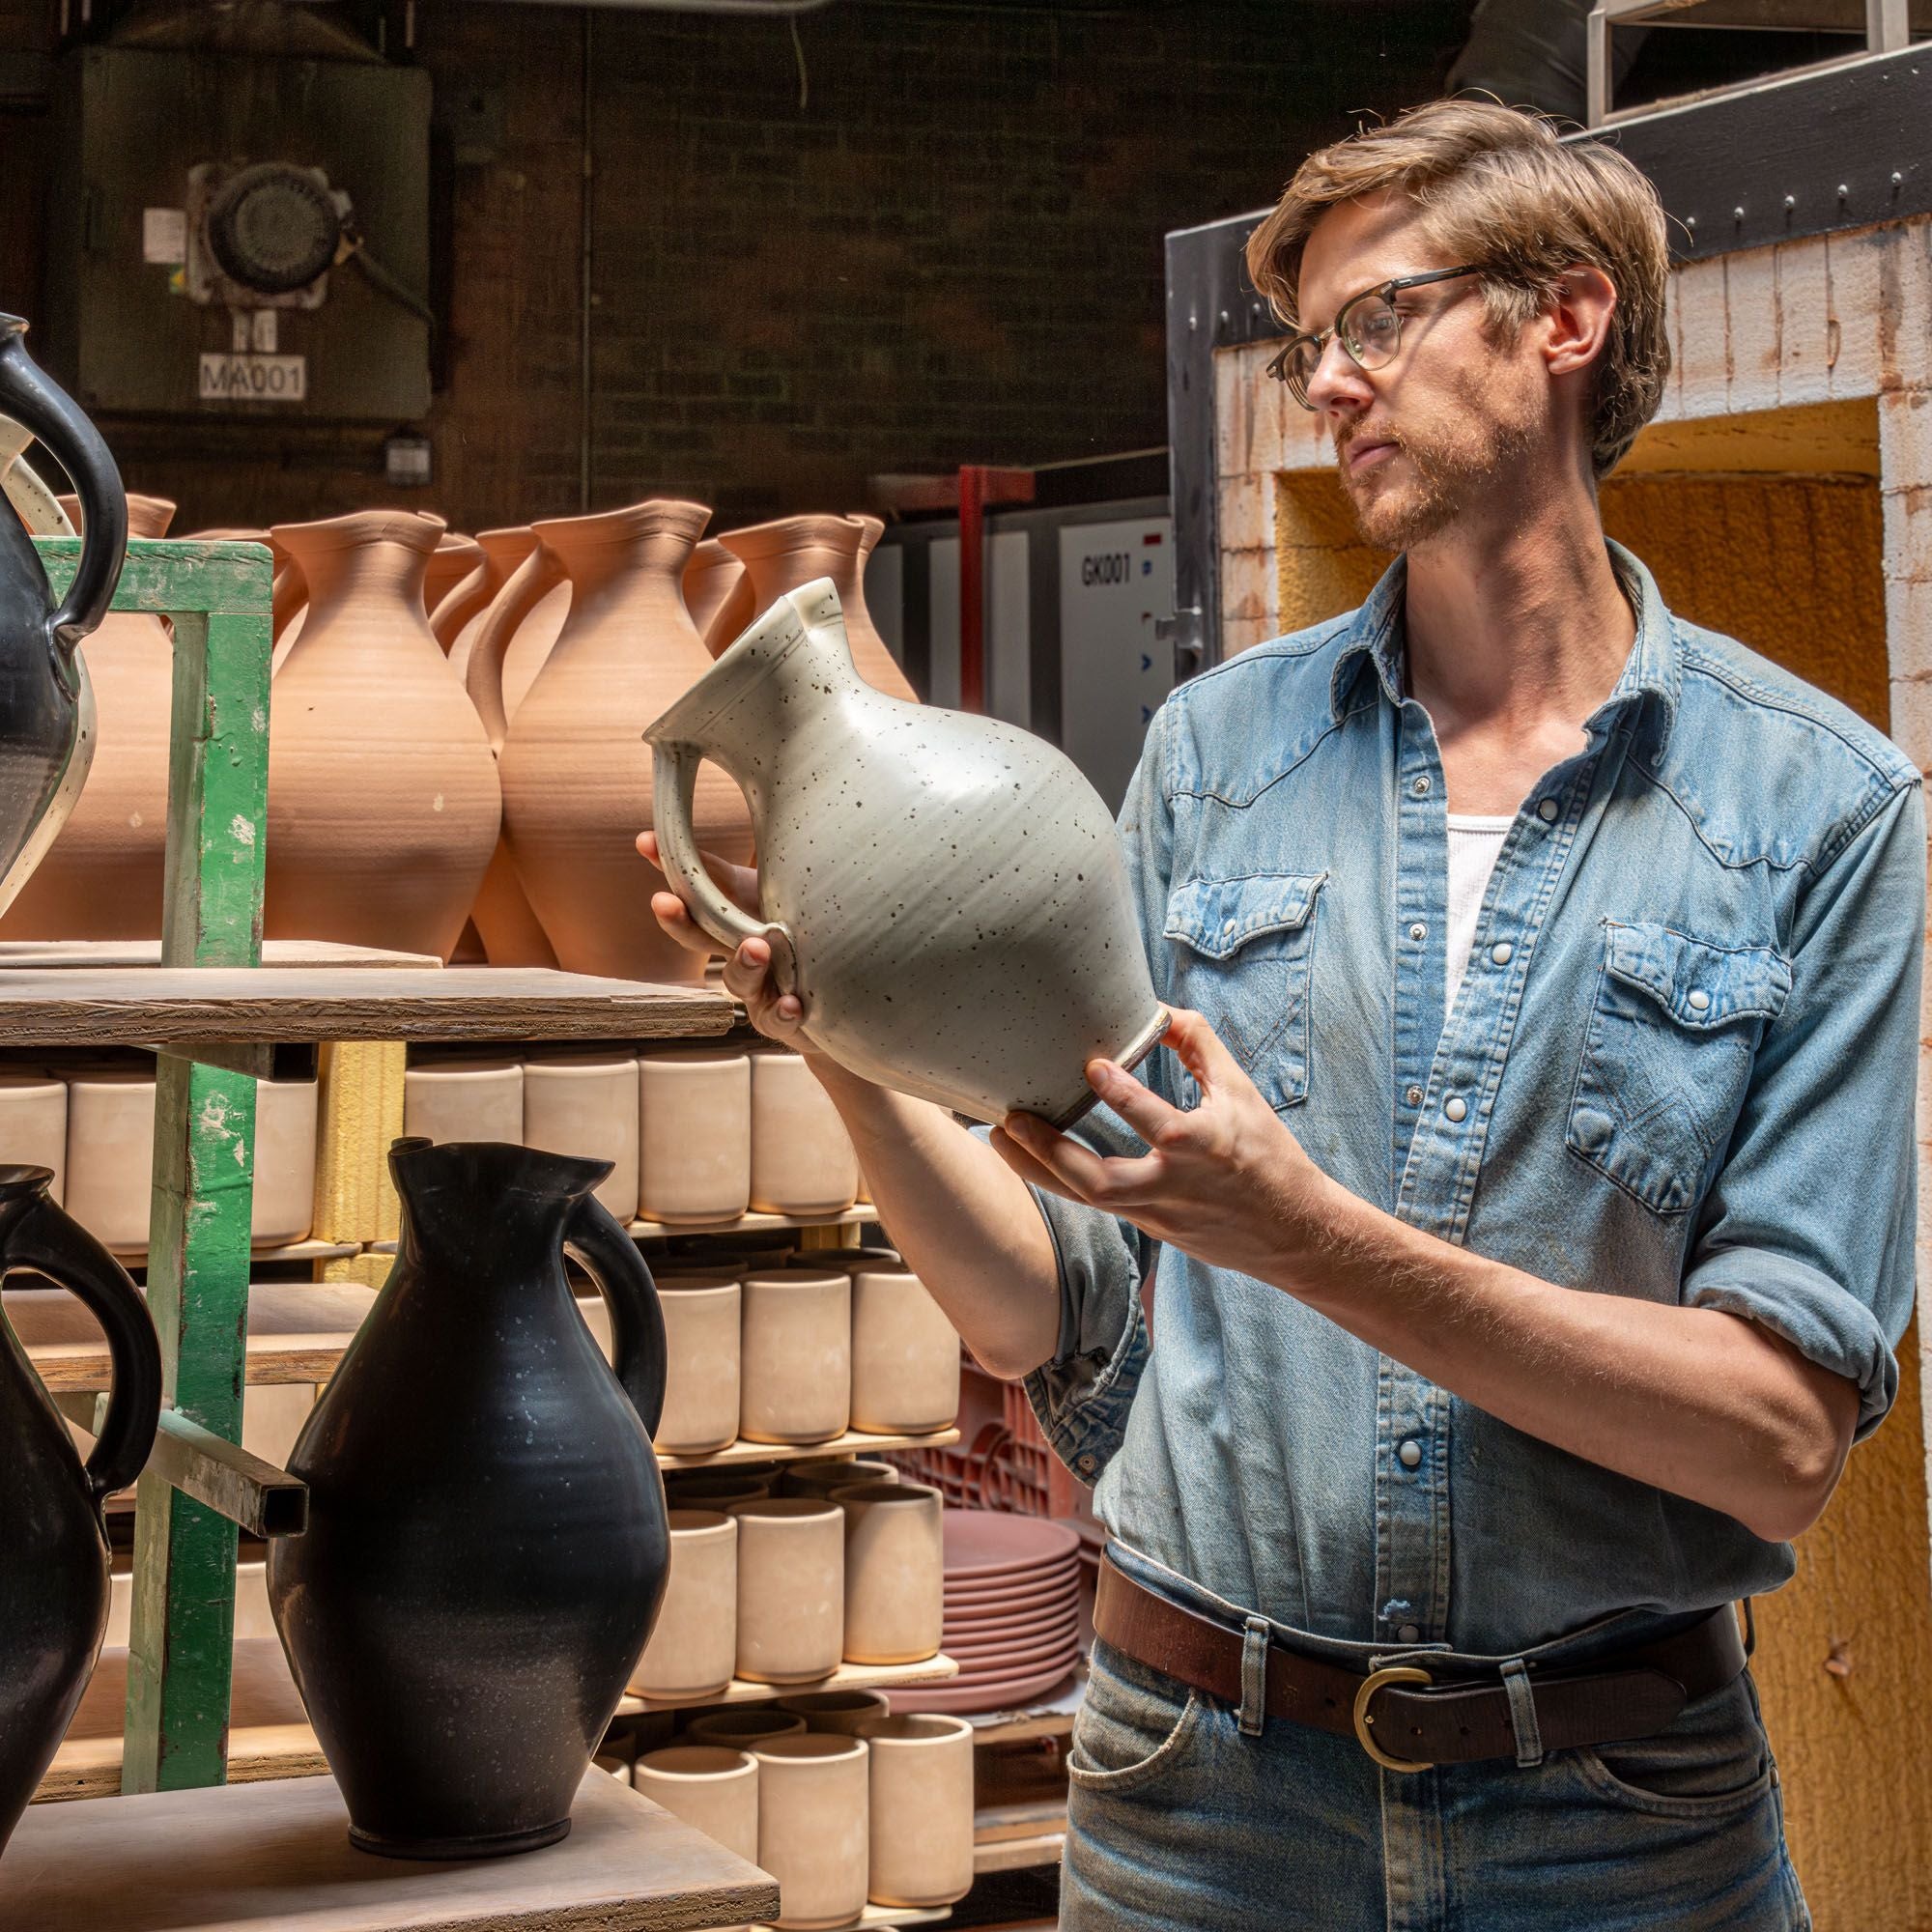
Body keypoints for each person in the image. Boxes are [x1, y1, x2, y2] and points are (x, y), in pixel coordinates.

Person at [642, 99, 1920, 1931]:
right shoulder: (1216, 761)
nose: (1327, 384)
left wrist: (1305, 1233)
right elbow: (1057, 1322)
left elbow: (1778, 1444)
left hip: (1619, 1827)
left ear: (1563, 321)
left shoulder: (1821, 811)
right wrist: (842, 1054)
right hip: (1199, 1797)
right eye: (1308, 344)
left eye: (1377, 320)